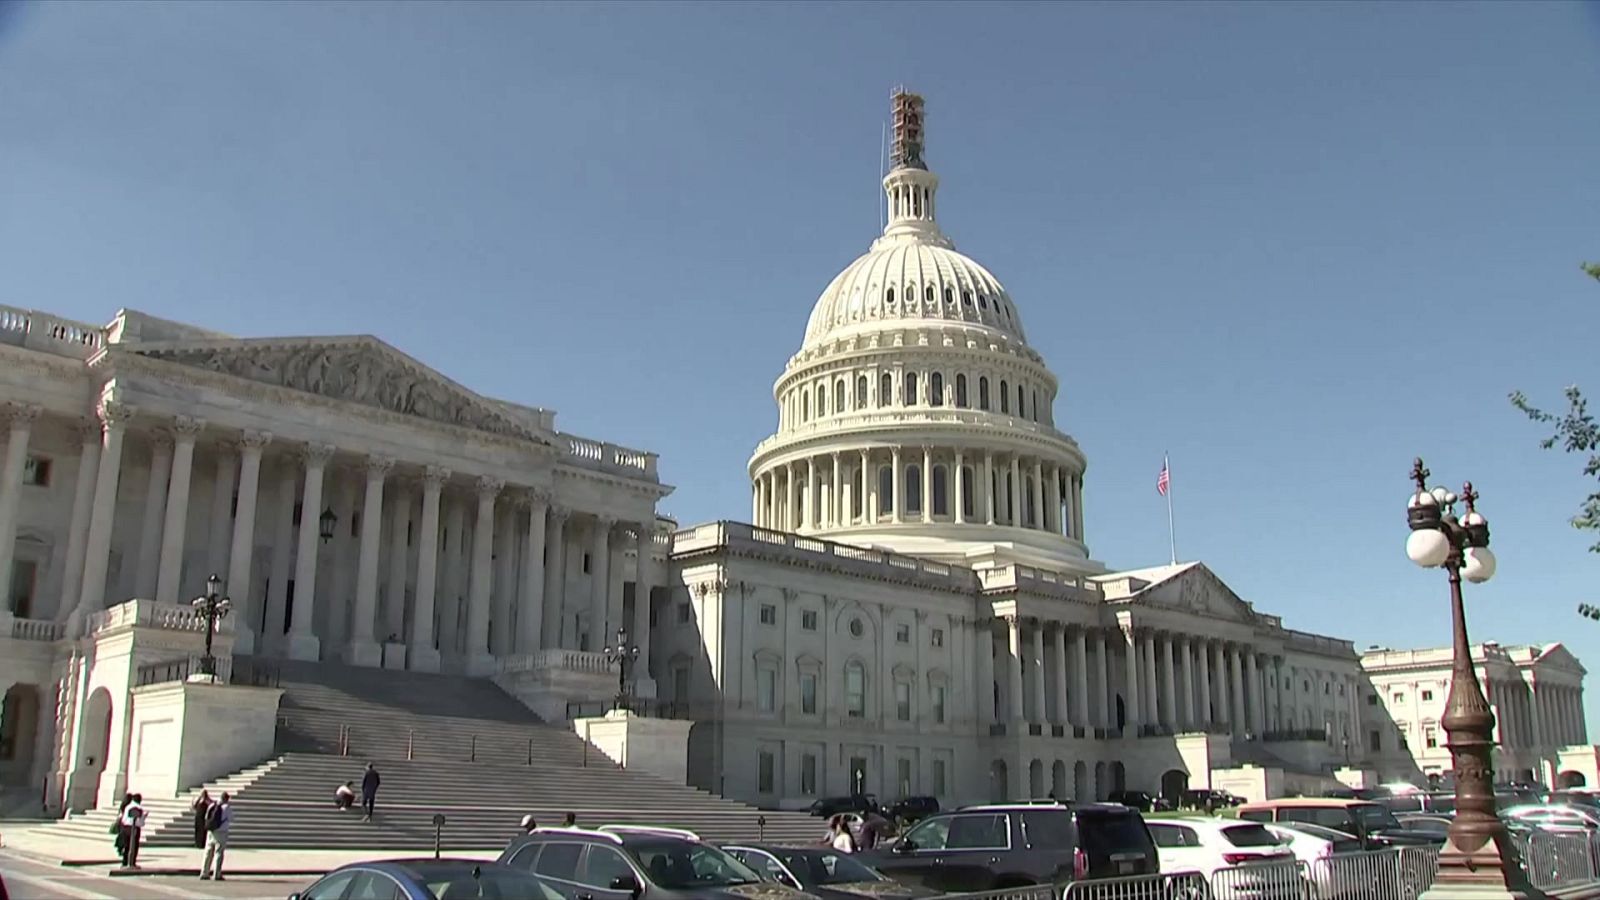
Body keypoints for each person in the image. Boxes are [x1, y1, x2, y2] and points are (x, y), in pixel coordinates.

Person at [199, 792, 231, 881]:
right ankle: (217, 874)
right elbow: (231, 818)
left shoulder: (212, 805)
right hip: (221, 832)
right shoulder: (226, 807)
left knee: (208, 852)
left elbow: (206, 817)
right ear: (227, 799)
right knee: (219, 853)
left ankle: (204, 872)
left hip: (211, 831)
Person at [121, 794, 147, 868]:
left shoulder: (128, 806)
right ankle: (132, 862)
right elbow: (140, 822)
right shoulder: (139, 808)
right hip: (135, 828)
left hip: (126, 827)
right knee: (134, 846)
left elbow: (124, 819)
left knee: (127, 845)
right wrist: (144, 818)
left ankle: (124, 862)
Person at [111, 793, 132, 863]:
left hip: (121, 821)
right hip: (125, 821)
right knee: (123, 837)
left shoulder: (123, 804)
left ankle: (119, 848)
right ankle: (121, 848)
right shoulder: (128, 806)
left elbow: (119, 813)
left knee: (121, 836)